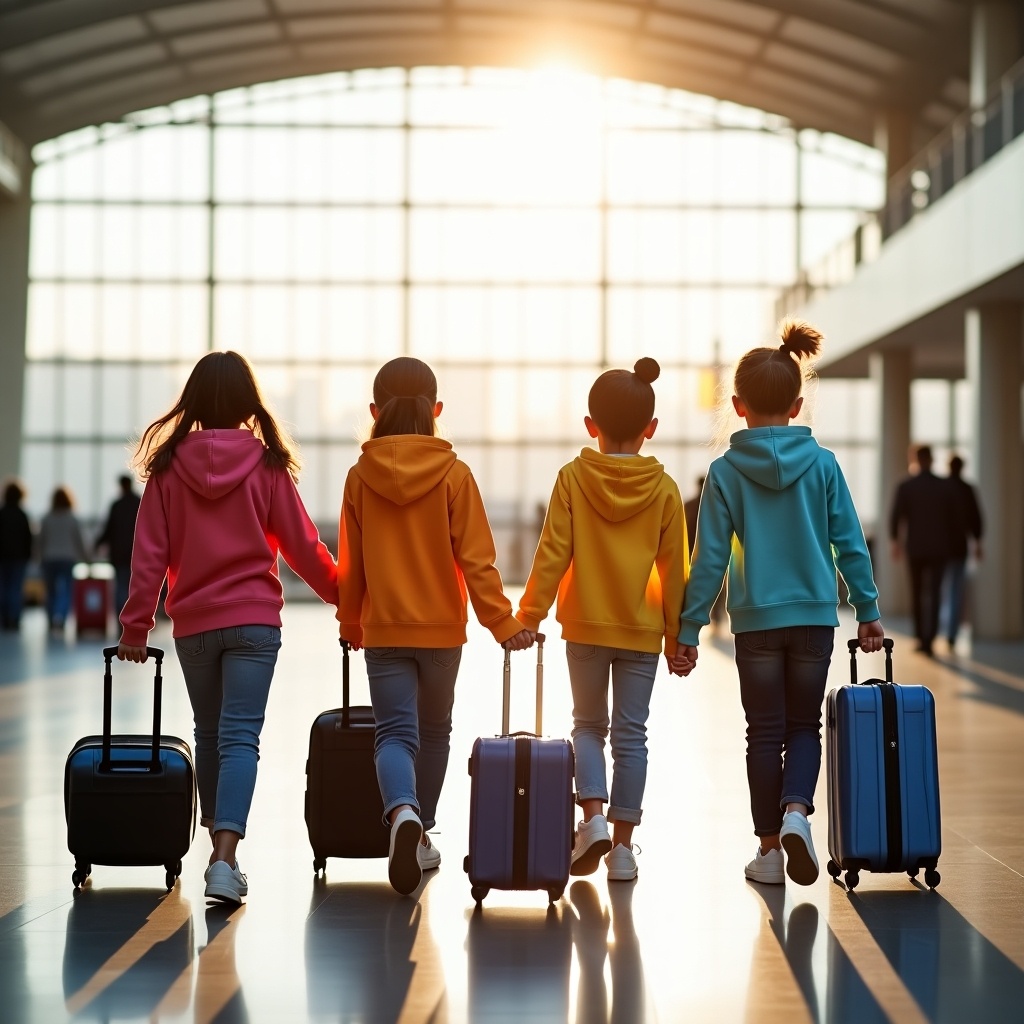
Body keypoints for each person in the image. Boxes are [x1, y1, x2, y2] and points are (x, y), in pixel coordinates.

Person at [116, 351, 338, 905]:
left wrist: (136, 628)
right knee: (240, 736)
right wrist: (345, 598)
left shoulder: (166, 470)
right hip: (255, 622)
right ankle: (224, 856)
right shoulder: (266, 465)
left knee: (211, 732)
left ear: (192, 400)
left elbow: (148, 557)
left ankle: (218, 843)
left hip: (194, 623)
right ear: (246, 402)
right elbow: (303, 546)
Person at [674, 320, 884, 887]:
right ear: (797, 405)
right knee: (803, 728)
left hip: (757, 624)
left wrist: (690, 629)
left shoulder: (723, 474)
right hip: (815, 616)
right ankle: (797, 812)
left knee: (762, 732)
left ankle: (768, 851)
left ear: (738, 406)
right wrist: (867, 609)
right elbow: (850, 544)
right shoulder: (823, 465)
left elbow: (710, 560)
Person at [336, 356, 532, 896]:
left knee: (394, 733)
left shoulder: (359, 477)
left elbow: (350, 563)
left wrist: (352, 621)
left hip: (384, 629)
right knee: (435, 732)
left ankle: (403, 815)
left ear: (375, 412)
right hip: (442, 630)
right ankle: (421, 836)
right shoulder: (454, 474)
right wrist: (501, 621)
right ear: (437, 411)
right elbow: (477, 560)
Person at [516, 358, 688, 883]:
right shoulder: (664, 489)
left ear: (591, 425)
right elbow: (676, 570)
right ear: (650, 429)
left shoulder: (572, 479)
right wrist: (681, 635)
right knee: (632, 735)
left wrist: (528, 616)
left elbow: (553, 554)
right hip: (642, 632)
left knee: (588, 726)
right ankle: (622, 849)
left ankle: (590, 818)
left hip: (585, 628)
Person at [889, 445, 950, 657]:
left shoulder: (907, 486)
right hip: (939, 548)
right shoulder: (943, 486)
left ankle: (919, 637)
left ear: (914, 458)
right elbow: (952, 520)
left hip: (915, 547)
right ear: (931, 459)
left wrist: (895, 542)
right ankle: (930, 638)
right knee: (934, 593)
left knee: (916, 592)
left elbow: (896, 516)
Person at [943, 454, 983, 650]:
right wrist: (977, 542)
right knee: (956, 590)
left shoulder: (941, 488)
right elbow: (976, 518)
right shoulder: (967, 489)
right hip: (959, 546)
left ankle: (936, 629)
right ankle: (951, 632)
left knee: (938, 589)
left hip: (939, 548)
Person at [39, 485, 87, 632]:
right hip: (67, 558)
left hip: (49, 558)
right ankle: (62, 618)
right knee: (66, 590)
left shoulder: (46, 518)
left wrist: (38, 557)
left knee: (50, 590)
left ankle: (50, 617)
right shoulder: (72, 518)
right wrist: (86, 557)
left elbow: (41, 540)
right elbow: (79, 540)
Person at [683, 474, 725, 633]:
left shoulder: (689, 504)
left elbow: (684, 529)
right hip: (714, 548)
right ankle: (716, 618)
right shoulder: (715, 504)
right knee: (718, 586)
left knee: (693, 585)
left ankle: (691, 617)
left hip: (692, 550)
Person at [96, 474, 142, 616]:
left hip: (118, 554)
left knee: (120, 586)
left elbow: (109, 529)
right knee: (136, 586)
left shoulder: (116, 505)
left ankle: (120, 617)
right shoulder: (139, 503)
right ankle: (134, 616)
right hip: (137, 553)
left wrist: (98, 543)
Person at [0, 479, 33, 631]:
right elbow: (28, 538)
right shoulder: (22, 515)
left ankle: (4, 618)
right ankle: (14, 618)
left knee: (3, 587)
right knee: (15, 588)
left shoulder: (2, 513)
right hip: (19, 557)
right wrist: (29, 555)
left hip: (3, 556)